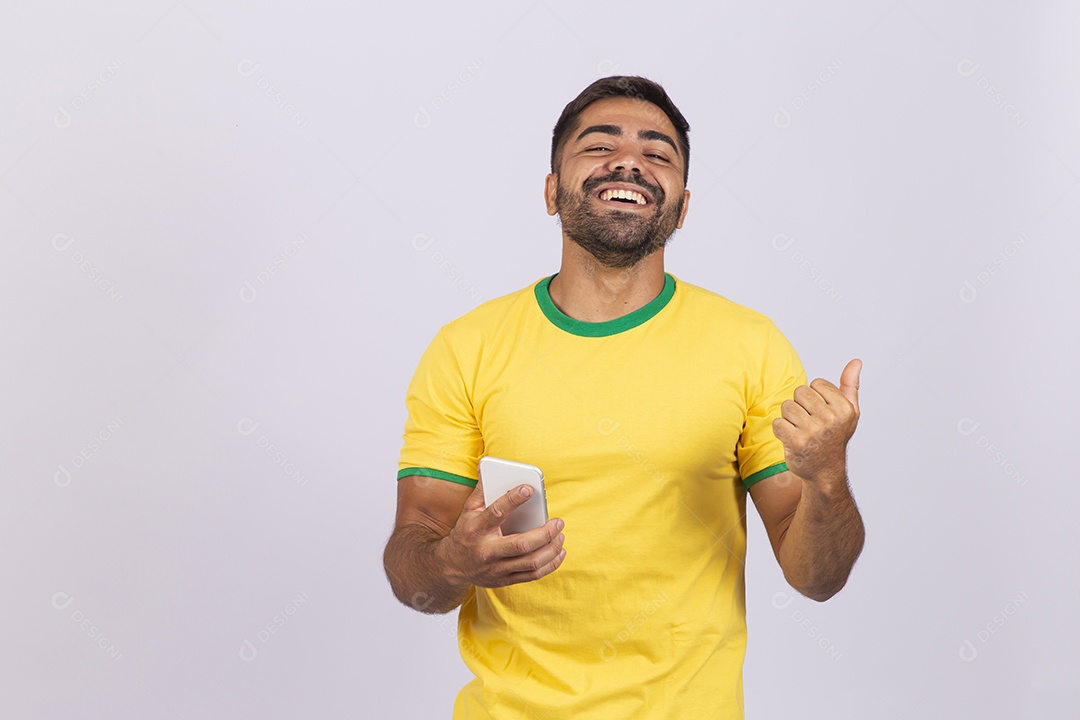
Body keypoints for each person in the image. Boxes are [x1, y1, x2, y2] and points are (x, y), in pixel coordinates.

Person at [383, 75, 865, 719]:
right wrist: (452, 562)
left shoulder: (752, 346)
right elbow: (412, 569)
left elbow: (817, 579)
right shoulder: (466, 348)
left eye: (657, 152)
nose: (630, 161)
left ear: (682, 207)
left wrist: (827, 475)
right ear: (551, 192)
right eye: (599, 145)